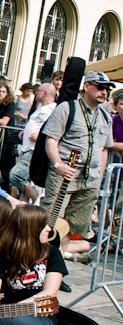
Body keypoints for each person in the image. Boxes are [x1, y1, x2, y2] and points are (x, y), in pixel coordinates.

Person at [40, 71, 113, 250]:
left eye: (107, 89)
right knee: (50, 221)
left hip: (90, 180)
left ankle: (58, 264)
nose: (104, 92)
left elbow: (104, 149)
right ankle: (37, 263)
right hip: (64, 174)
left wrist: (100, 175)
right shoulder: (67, 108)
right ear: (87, 86)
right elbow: (51, 140)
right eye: (100, 88)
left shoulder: (105, 117)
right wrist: (59, 165)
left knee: (72, 227)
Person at [0, 205, 66, 325]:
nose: (49, 230)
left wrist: (17, 309)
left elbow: (49, 292)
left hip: (39, 316)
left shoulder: (53, 253)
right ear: (31, 229)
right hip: (7, 314)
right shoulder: (1, 254)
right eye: (44, 225)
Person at [10, 84, 57, 202]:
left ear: (45, 93)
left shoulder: (54, 109)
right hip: (26, 148)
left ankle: (38, 202)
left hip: (34, 149)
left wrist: (40, 136)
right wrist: (24, 132)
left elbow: (55, 128)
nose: (35, 93)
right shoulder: (39, 107)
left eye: (38, 91)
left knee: (16, 176)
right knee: (25, 184)